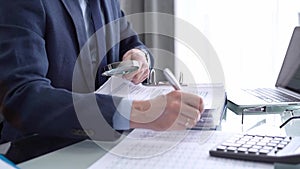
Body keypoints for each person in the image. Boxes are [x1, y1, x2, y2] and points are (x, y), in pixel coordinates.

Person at [0, 0, 204, 143]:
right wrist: (140, 111)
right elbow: (23, 98)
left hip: (104, 142)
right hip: (39, 148)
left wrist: (140, 56)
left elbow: (132, 43)